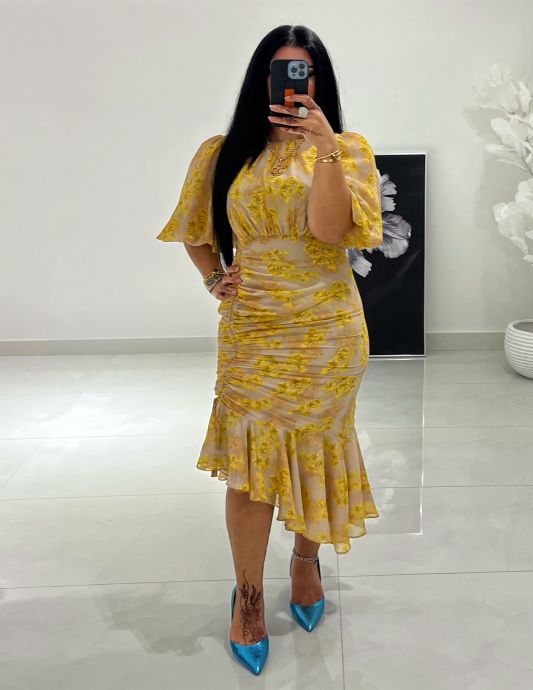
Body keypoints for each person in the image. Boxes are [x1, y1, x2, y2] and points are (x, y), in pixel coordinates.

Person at [156, 24, 383, 676]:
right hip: (252, 329)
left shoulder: (348, 151)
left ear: (319, 83)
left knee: (316, 450)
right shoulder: (221, 153)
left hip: (328, 330)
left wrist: (325, 150)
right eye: (278, 71)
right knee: (249, 468)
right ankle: (249, 596)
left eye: (302, 72)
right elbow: (195, 230)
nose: (290, 84)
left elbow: (329, 231)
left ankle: (306, 561)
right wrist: (213, 278)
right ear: (260, 80)